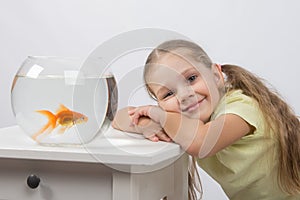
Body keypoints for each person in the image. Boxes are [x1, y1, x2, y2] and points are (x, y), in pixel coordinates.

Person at [112, 39, 300, 200]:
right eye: (168, 93)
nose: (184, 95)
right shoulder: (184, 121)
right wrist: (146, 124)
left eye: (191, 78)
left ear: (216, 75)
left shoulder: (241, 106)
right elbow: (119, 119)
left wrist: (160, 116)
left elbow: (202, 142)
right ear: (159, 102)